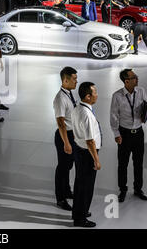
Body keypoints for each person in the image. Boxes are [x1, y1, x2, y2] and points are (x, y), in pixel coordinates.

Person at [110, 69, 147, 203]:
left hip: (138, 133)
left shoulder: (141, 91)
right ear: (126, 81)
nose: (137, 79)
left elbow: (146, 105)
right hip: (124, 134)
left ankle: (138, 189)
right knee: (123, 164)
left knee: (138, 163)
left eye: (136, 76)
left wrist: (145, 115)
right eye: (134, 77)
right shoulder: (117, 96)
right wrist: (116, 134)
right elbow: (114, 115)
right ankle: (123, 189)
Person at [71, 82, 102, 228]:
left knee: (79, 183)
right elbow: (90, 141)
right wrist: (96, 160)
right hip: (87, 153)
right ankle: (81, 218)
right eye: (95, 92)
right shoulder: (87, 114)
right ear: (88, 96)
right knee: (86, 187)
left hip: (79, 150)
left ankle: (77, 212)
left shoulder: (77, 108)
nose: (97, 94)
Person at [53, 67, 79, 212]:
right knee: (62, 168)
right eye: (74, 79)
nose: (76, 81)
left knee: (68, 166)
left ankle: (67, 191)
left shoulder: (69, 93)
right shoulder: (60, 99)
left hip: (72, 135)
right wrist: (67, 143)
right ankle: (60, 198)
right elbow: (61, 123)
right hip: (64, 137)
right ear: (65, 80)